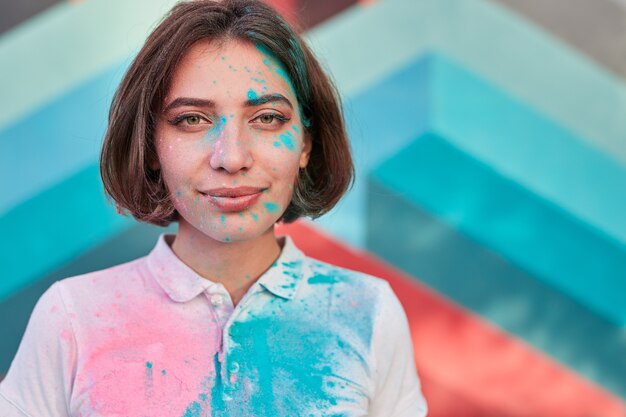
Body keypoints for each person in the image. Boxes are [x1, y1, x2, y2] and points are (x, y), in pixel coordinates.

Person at [0, 0, 427, 415]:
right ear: (150, 147)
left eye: (267, 118)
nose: (231, 157)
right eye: (192, 120)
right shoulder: (73, 317)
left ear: (306, 144)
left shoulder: (367, 311)